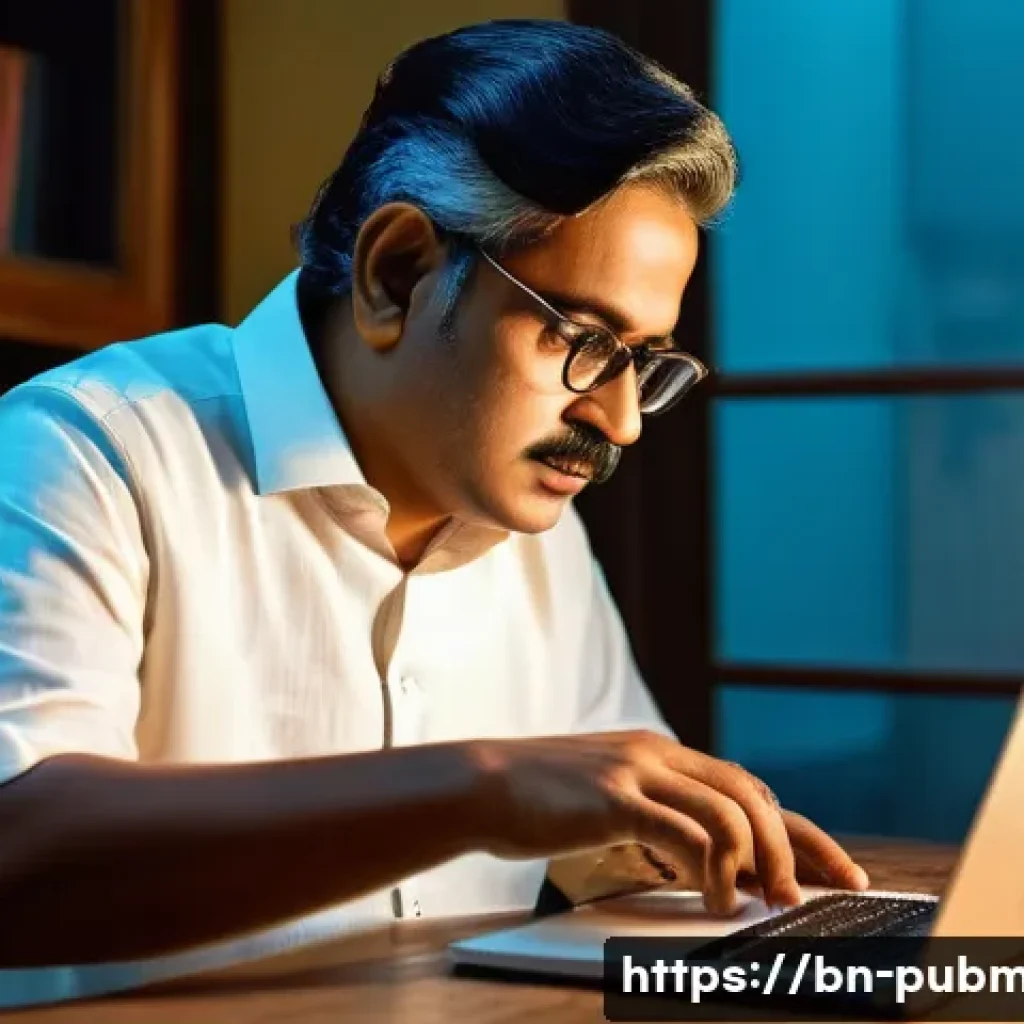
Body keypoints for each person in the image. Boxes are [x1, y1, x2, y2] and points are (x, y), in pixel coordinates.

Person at [0, 18, 868, 1002]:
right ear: (397, 271)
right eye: (582, 339)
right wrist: (481, 787)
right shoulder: (87, 448)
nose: (621, 420)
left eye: (644, 361)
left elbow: (614, 841)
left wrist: (730, 858)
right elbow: (18, 847)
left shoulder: (533, 526)